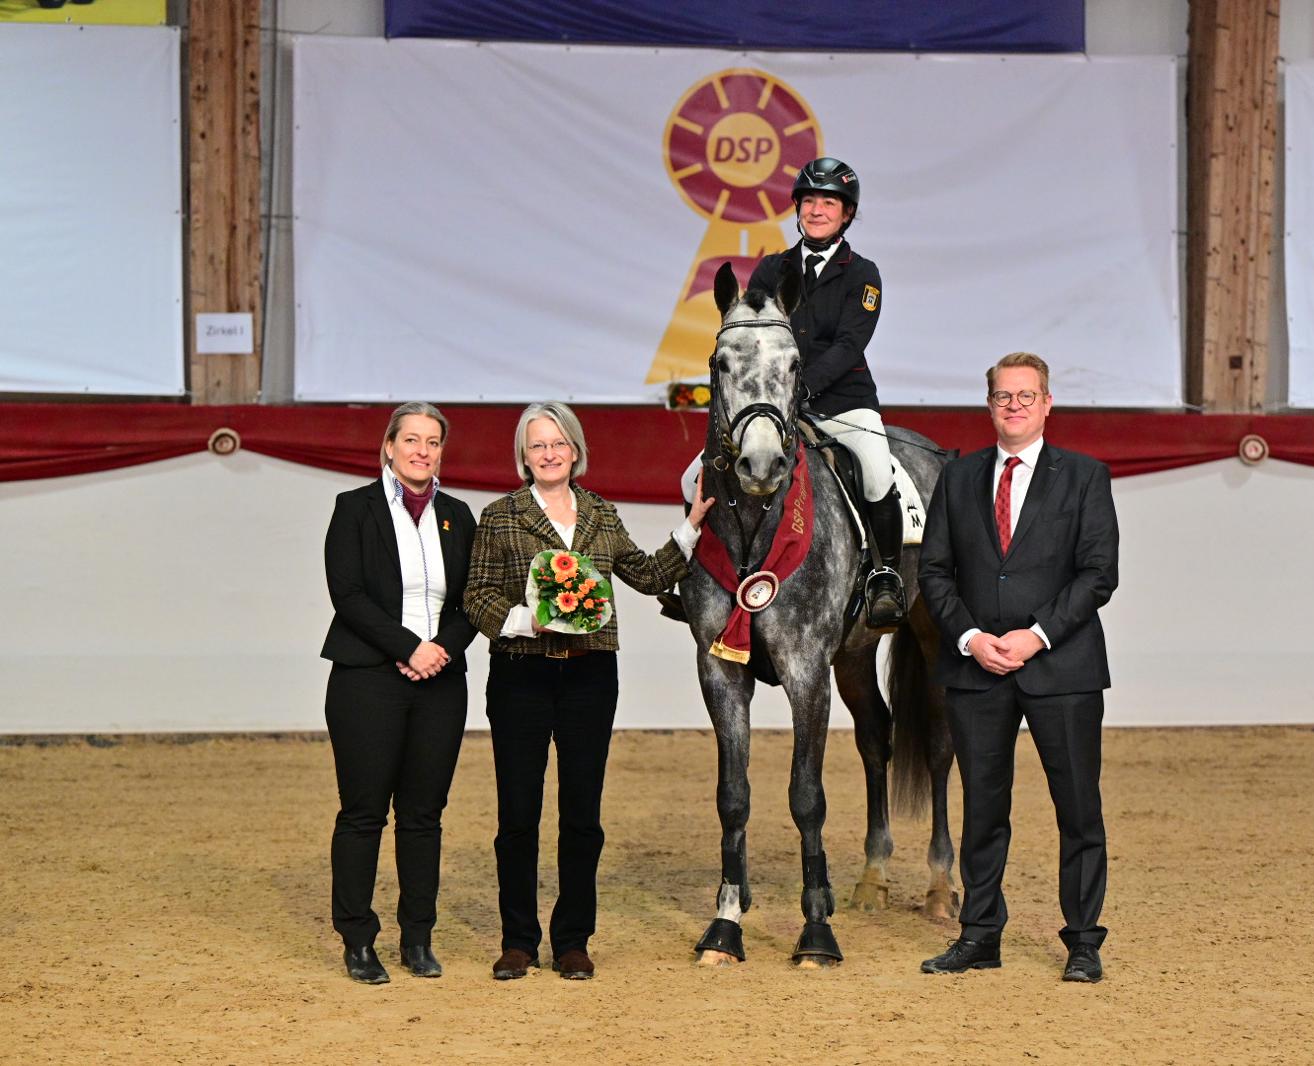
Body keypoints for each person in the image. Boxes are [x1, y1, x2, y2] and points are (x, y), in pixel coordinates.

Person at [465, 401, 714, 981]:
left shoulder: (602, 513)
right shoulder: (499, 516)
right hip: (521, 675)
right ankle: (518, 940)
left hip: (590, 675)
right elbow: (475, 597)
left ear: (575, 451)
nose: (548, 454)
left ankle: (573, 939)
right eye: (536, 446)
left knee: (582, 814)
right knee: (518, 815)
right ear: (523, 457)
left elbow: (648, 576)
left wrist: (692, 524)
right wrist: (530, 620)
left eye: (558, 444)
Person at [917, 352, 1119, 983]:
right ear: (989, 406)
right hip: (977, 671)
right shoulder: (957, 478)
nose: (1014, 406)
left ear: (1048, 404)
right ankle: (980, 934)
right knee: (982, 808)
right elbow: (934, 572)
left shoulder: (1085, 476)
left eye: (1026, 396)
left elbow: (1098, 574)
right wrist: (972, 637)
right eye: (1003, 397)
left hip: (1063, 669)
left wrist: (1036, 637)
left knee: (1078, 809)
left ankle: (1083, 942)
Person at [671, 155, 905, 628]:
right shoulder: (770, 269)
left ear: (847, 214)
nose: (817, 210)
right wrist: (772, 396)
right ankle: (696, 572)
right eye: (809, 201)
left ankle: (884, 576)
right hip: (771, 405)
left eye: (829, 203)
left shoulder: (863, 274)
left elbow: (849, 344)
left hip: (842, 401)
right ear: (798, 208)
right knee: (690, 477)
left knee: (878, 472)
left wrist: (804, 388)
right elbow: (753, 338)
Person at [320, 401, 480, 984]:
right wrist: (409, 647)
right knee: (363, 814)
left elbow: (472, 600)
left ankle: (418, 937)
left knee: (423, 816)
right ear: (388, 446)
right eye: (410, 439)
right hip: (367, 679)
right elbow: (349, 595)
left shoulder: (459, 515)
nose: (421, 450)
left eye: (432, 441)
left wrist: (441, 649)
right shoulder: (353, 509)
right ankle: (358, 940)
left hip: (440, 681)